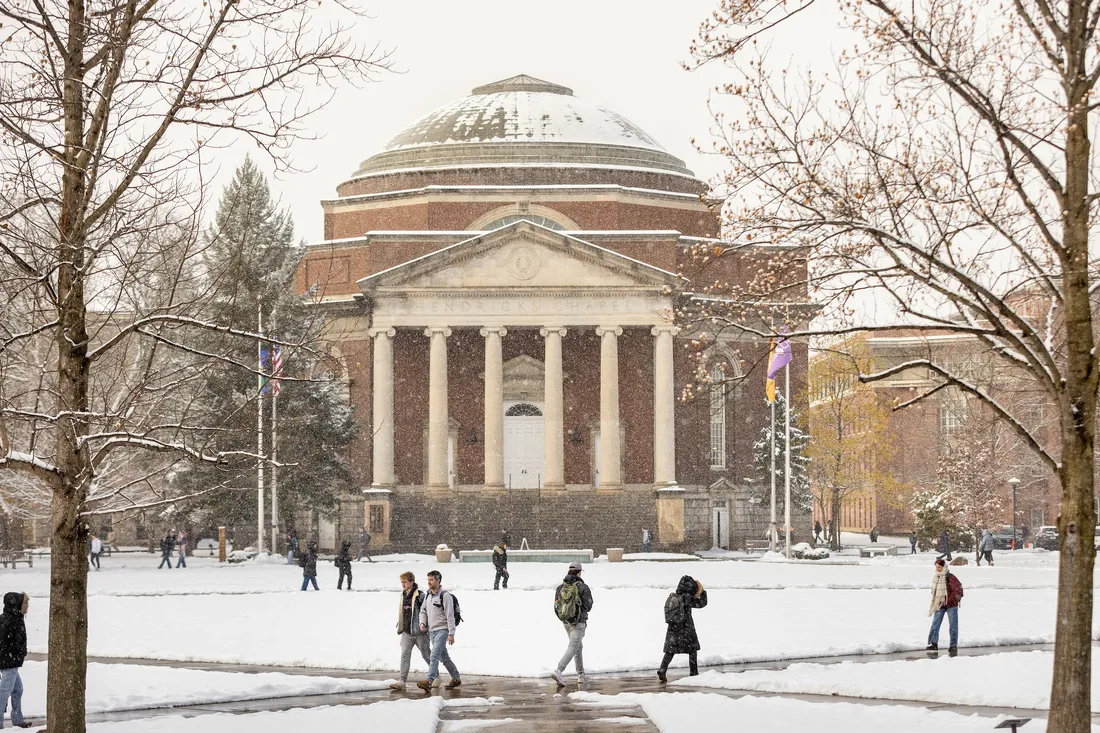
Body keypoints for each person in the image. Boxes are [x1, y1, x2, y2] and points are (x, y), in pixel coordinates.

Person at [657, 575, 709, 683]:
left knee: (670, 651)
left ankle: (662, 669)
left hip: (673, 628)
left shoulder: (675, 597)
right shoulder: (687, 598)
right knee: (692, 650)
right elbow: (701, 604)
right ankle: (694, 673)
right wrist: (703, 593)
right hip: (686, 628)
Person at [550, 561, 594, 687]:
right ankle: (559, 670)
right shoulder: (582, 587)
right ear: (579, 572)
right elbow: (589, 605)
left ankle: (581, 675)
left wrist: (565, 617)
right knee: (573, 647)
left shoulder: (560, 587)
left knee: (577, 647)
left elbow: (556, 606)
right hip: (579, 623)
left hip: (566, 623)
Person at [416, 570, 461, 692]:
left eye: (431, 579)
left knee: (434, 655)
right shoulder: (428, 595)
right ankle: (456, 677)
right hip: (432, 631)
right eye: (428, 579)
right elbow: (423, 611)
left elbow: (450, 615)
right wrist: (422, 622)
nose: (429, 582)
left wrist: (451, 633)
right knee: (444, 657)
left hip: (443, 630)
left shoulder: (445, 596)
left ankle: (429, 681)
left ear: (438, 580)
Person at [390, 571, 431, 691]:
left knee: (426, 655)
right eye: (401, 582)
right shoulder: (403, 594)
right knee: (404, 655)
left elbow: (426, 612)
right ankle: (402, 681)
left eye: (405, 582)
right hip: (406, 632)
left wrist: (425, 625)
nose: (403, 584)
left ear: (411, 581)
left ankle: (436, 675)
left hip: (419, 632)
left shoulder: (420, 595)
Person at [0, 592, 29, 729]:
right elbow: (6, 643)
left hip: (12, 662)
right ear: (16, 604)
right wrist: (16, 654)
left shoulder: (14, 618)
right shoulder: (9, 621)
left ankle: (17, 720)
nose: (26, 607)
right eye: (25, 604)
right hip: (9, 663)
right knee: (4, 692)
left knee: (17, 689)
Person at [926, 557, 963, 655]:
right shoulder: (937, 577)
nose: (938, 569)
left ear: (944, 567)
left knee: (953, 626)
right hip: (940, 604)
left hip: (951, 605)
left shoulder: (950, 577)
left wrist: (953, 599)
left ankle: (953, 646)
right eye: (936, 567)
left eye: (939, 567)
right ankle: (933, 643)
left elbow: (958, 588)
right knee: (935, 624)